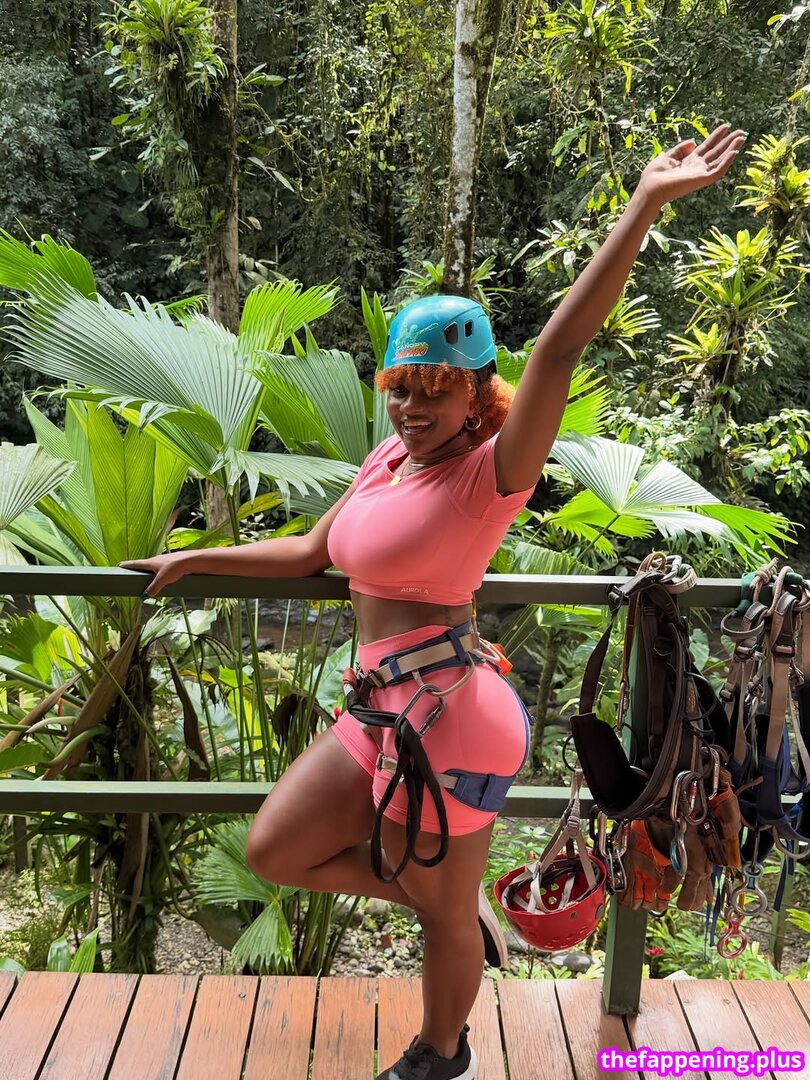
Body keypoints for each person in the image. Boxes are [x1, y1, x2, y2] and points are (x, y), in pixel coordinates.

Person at [122, 124, 745, 1080]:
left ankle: (441, 1050)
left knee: (437, 910)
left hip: (450, 716)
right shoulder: (389, 459)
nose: (413, 409)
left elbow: (559, 352)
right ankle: (456, 908)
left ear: (476, 395)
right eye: (401, 390)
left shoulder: (492, 474)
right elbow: (314, 551)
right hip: (379, 706)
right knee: (276, 848)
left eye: (436, 393)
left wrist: (644, 203)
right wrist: (202, 556)